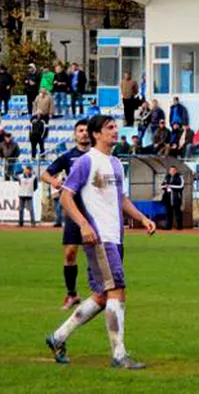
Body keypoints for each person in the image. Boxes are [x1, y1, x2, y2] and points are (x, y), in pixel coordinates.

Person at [45, 114, 157, 369]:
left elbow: (122, 199)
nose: (115, 131)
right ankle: (119, 355)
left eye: (116, 127)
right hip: (99, 237)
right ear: (96, 134)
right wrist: (84, 225)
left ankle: (58, 337)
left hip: (115, 237)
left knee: (102, 296)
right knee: (117, 290)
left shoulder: (116, 163)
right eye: (109, 128)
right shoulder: (86, 162)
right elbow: (66, 197)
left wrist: (142, 218)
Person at [41, 119, 91, 309]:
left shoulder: (97, 156)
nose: (84, 133)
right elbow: (45, 174)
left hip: (94, 213)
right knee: (70, 253)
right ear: (75, 134)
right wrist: (53, 182)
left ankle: (100, 293)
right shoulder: (67, 157)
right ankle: (72, 294)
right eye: (80, 130)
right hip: (74, 211)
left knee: (95, 254)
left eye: (86, 130)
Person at [161, 166, 184, 230]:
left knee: (177, 212)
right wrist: (165, 186)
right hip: (167, 196)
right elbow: (162, 185)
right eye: (171, 170)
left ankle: (179, 226)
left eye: (174, 170)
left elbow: (181, 186)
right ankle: (168, 226)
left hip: (176, 197)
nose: (172, 172)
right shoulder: (167, 177)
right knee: (168, 212)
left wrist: (171, 186)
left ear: (176, 171)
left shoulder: (180, 176)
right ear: (169, 171)